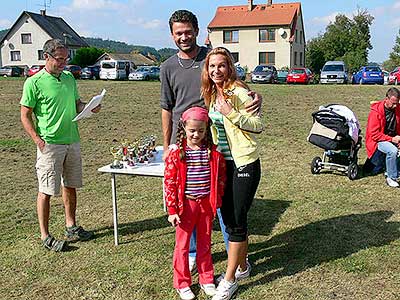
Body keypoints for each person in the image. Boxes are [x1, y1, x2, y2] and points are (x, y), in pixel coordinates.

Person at [160, 9, 262, 274]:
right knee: (189, 196)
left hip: (214, 142)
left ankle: (235, 255)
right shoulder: (167, 67)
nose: (184, 37)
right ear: (172, 35)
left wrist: (255, 97)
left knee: (218, 201)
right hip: (185, 142)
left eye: (188, 31)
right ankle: (193, 253)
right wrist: (170, 143)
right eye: (178, 33)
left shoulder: (212, 58)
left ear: (197, 31)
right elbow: (166, 107)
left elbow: (236, 84)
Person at [20, 39, 101, 252]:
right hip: (50, 145)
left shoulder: (68, 78)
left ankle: (71, 226)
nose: (64, 63)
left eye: (66, 58)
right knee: (46, 190)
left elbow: (77, 104)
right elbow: (25, 115)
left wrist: (90, 107)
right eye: (60, 59)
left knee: (70, 185)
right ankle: (45, 236)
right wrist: (38, 140)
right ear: (46, 57)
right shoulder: (34, 82)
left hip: (72, 141)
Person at [201, 47, 264, 300]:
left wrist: (232, 114)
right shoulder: (210, 93)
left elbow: (259, 126)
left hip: (245, 164)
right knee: (229, 218)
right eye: (212, 66)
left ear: (229, 67)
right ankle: (242, 267)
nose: (216, 70)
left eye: (221, 65)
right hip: (223, 164)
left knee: (236, 220)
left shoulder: (239, 92)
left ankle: (229, 281)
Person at [164, 106, 226, 300]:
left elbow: (220, 177)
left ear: (206, 130)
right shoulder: (177, 154)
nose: (196, 134)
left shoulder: (213, 152)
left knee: (205, 243)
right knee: (182, 246)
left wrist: (217, 199)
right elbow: (170, 183)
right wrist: (172, 210)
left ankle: (206, 279)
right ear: (184, 128)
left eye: (201, 130)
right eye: (192, 131)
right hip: (185, 207)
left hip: (205, 205)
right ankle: (182, 283)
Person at [365, 87, 400, 187]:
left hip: (393, 138)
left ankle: (394, 169)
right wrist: (392, 139)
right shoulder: (375, 112)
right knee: (392, 151)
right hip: (378, 141)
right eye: (393, 103)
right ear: (386, 99)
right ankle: (391, 177)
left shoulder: (398, 109)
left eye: (397, 103)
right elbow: (374, 135)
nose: (395, 106)